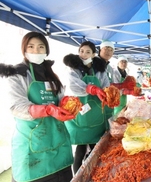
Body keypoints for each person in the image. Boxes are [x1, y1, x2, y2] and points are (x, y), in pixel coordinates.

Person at [0, 32, 76, 182]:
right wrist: (47, 109)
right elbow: (16, 106)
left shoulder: (52, 75)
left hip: (57, 141)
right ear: (24, 49)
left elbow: (60, 99)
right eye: (31, 46)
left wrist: (69, 103)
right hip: (31, 145)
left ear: (46, 51)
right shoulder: (17, 75)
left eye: (41, 47)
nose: (36, 51)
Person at [63, 41, 110, 174]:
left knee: (96, 148)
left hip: (96, 113)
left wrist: (107, 93)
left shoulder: (99, 70)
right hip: (81, 113)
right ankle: (78, 175)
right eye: (81, 51)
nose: (83, 54)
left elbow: (105, 85)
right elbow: (74, 86)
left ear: (94, 54)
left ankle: (93, 174)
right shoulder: (74, 69)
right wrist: (91, 89)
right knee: (80, 148)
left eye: (87, 52)